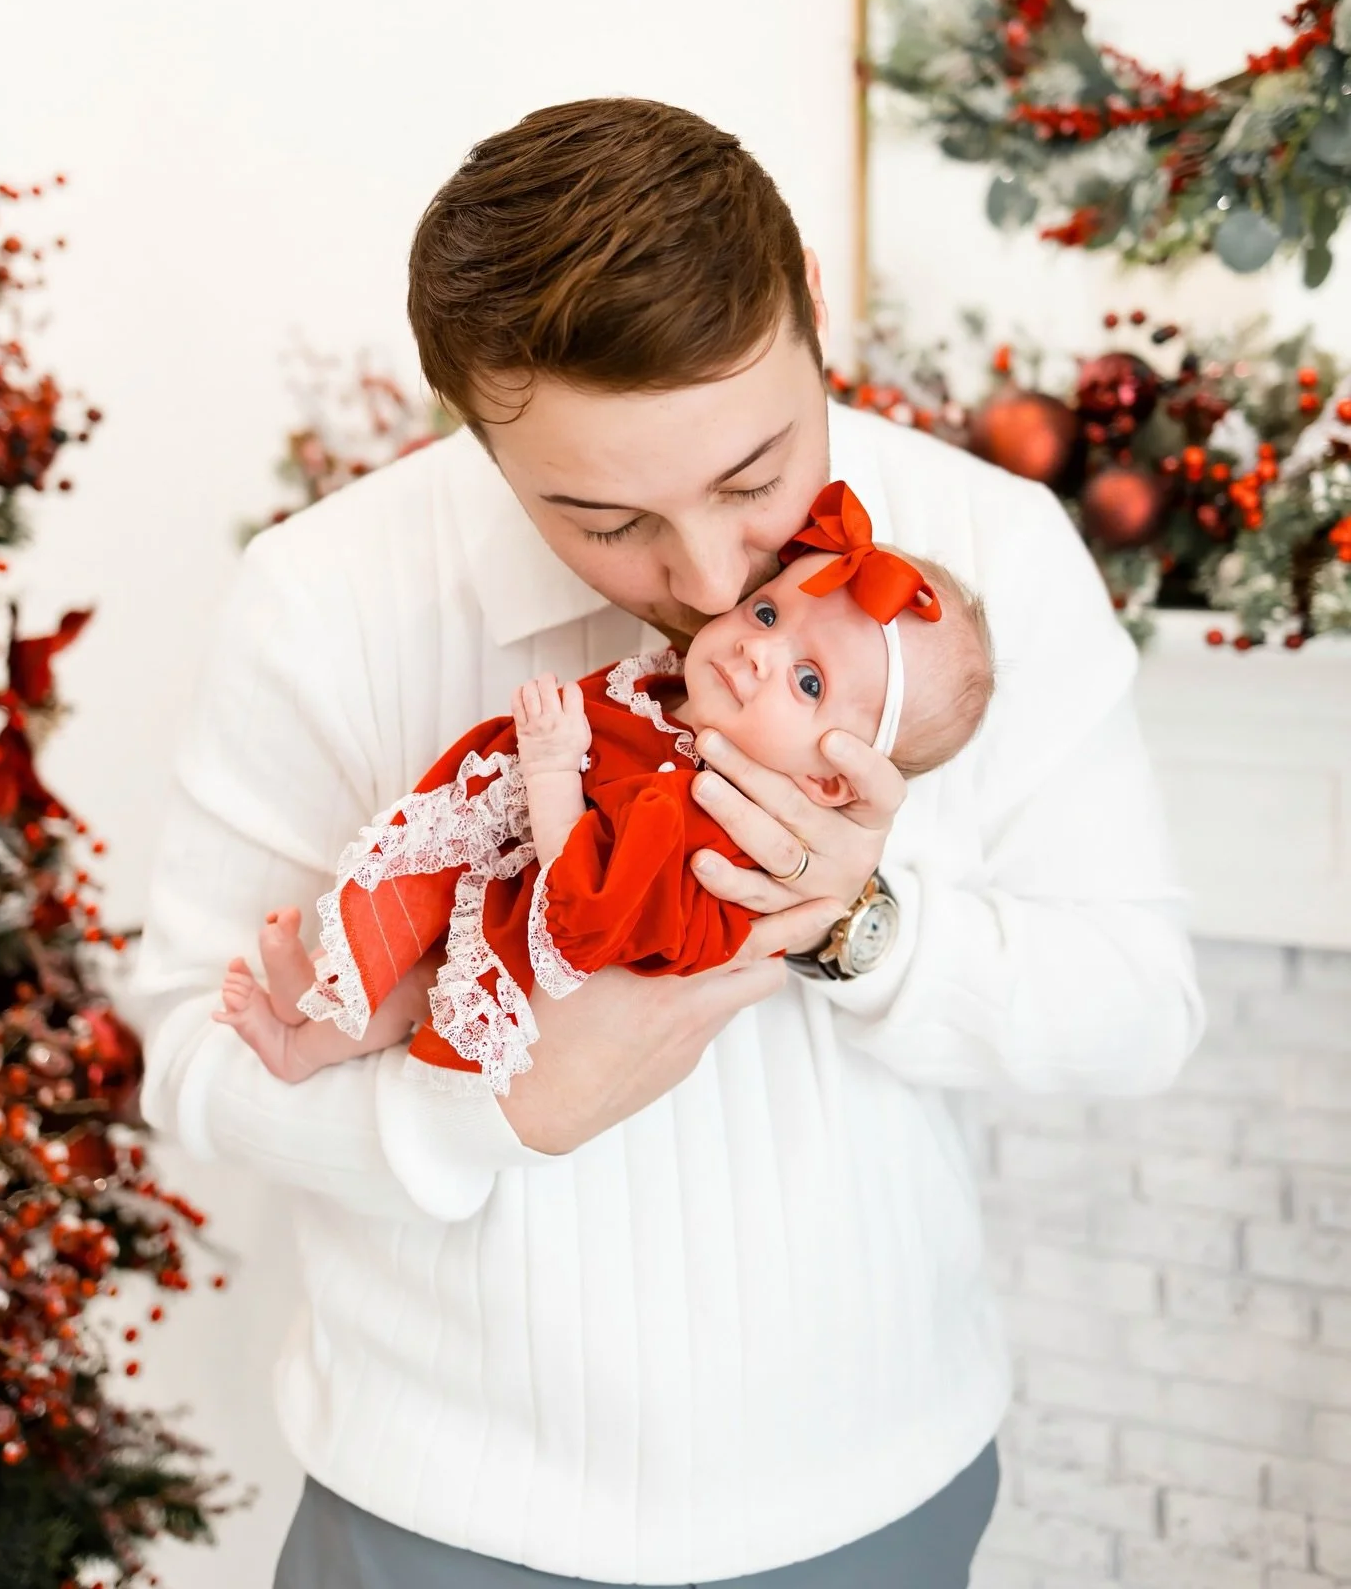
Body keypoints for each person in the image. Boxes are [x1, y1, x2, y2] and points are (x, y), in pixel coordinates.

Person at [128, 98, 1203, 1589]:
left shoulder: (996, 549)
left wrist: (867, 928)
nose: (706, 578)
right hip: (432, 1523)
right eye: (601, 516)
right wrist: (488, 1113)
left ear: (811, 309)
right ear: (474, 426)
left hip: (875, 1502)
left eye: (756, 478)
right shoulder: (324, 598)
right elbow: (188, 1058)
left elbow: (1140, 1013)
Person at [213, 482, 995, 1097]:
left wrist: (553, 768)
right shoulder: (677, 696)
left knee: (425, 979)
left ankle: (298, 1043)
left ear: (833, 777)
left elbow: (585, 912)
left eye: (808, 680)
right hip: (505, 862)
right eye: (767, 610)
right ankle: (317, 992)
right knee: (404, 922)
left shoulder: (711, 827)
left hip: (543, 935)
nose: (758, 649)